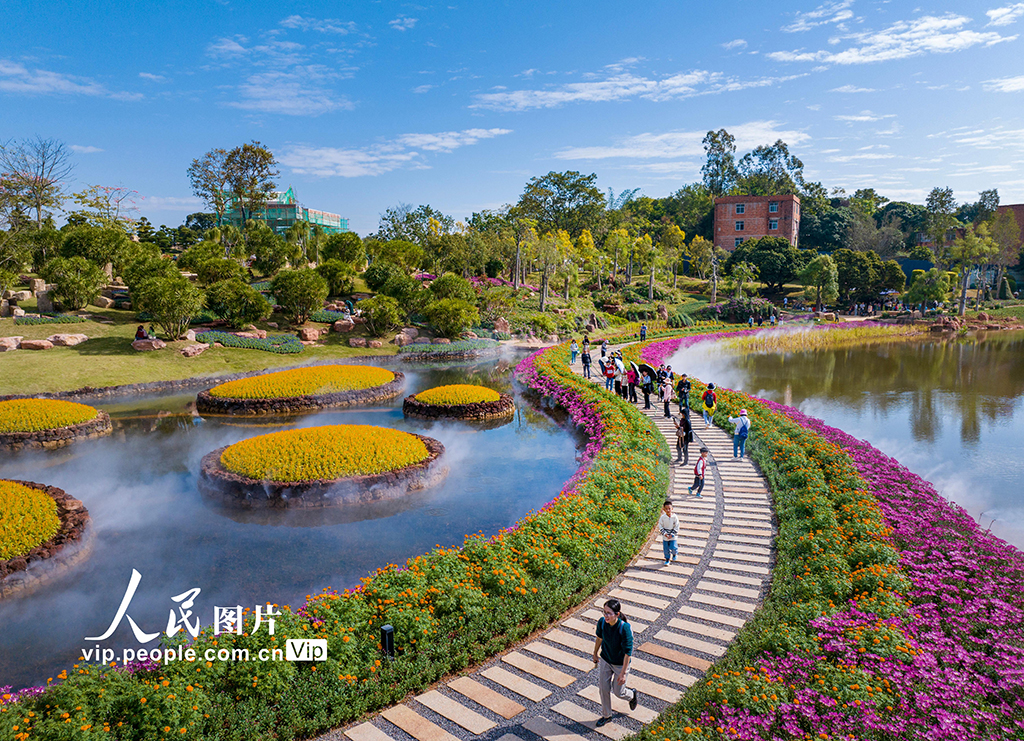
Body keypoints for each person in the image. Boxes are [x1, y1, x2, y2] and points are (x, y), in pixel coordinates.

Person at [592, 599, 639, 726]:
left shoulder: (625, 629)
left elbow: (628, 653)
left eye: (609, 613)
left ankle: (631, 695)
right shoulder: (602, 623)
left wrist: (623, 673)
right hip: (606, 660)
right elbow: (599, 638)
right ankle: (607, 715)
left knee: (618, 692)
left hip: (620, 664)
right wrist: (595, 653)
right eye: (604, 612)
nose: (605, 616)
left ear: (617, 614)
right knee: (603, 688)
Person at [659, 500, 679, 565]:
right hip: (665, 536)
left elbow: (677, 526)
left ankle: (674, 554)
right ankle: (667, 559)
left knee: (673, 546)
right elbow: (660, 526)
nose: (668, 510)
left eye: (669, 508)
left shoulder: (675, 517)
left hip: (673, 536)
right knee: (666, 548)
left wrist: (672, 534)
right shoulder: (662, 518)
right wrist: (665, 533)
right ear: (664, 509)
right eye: (666, 509)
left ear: (672, 509)